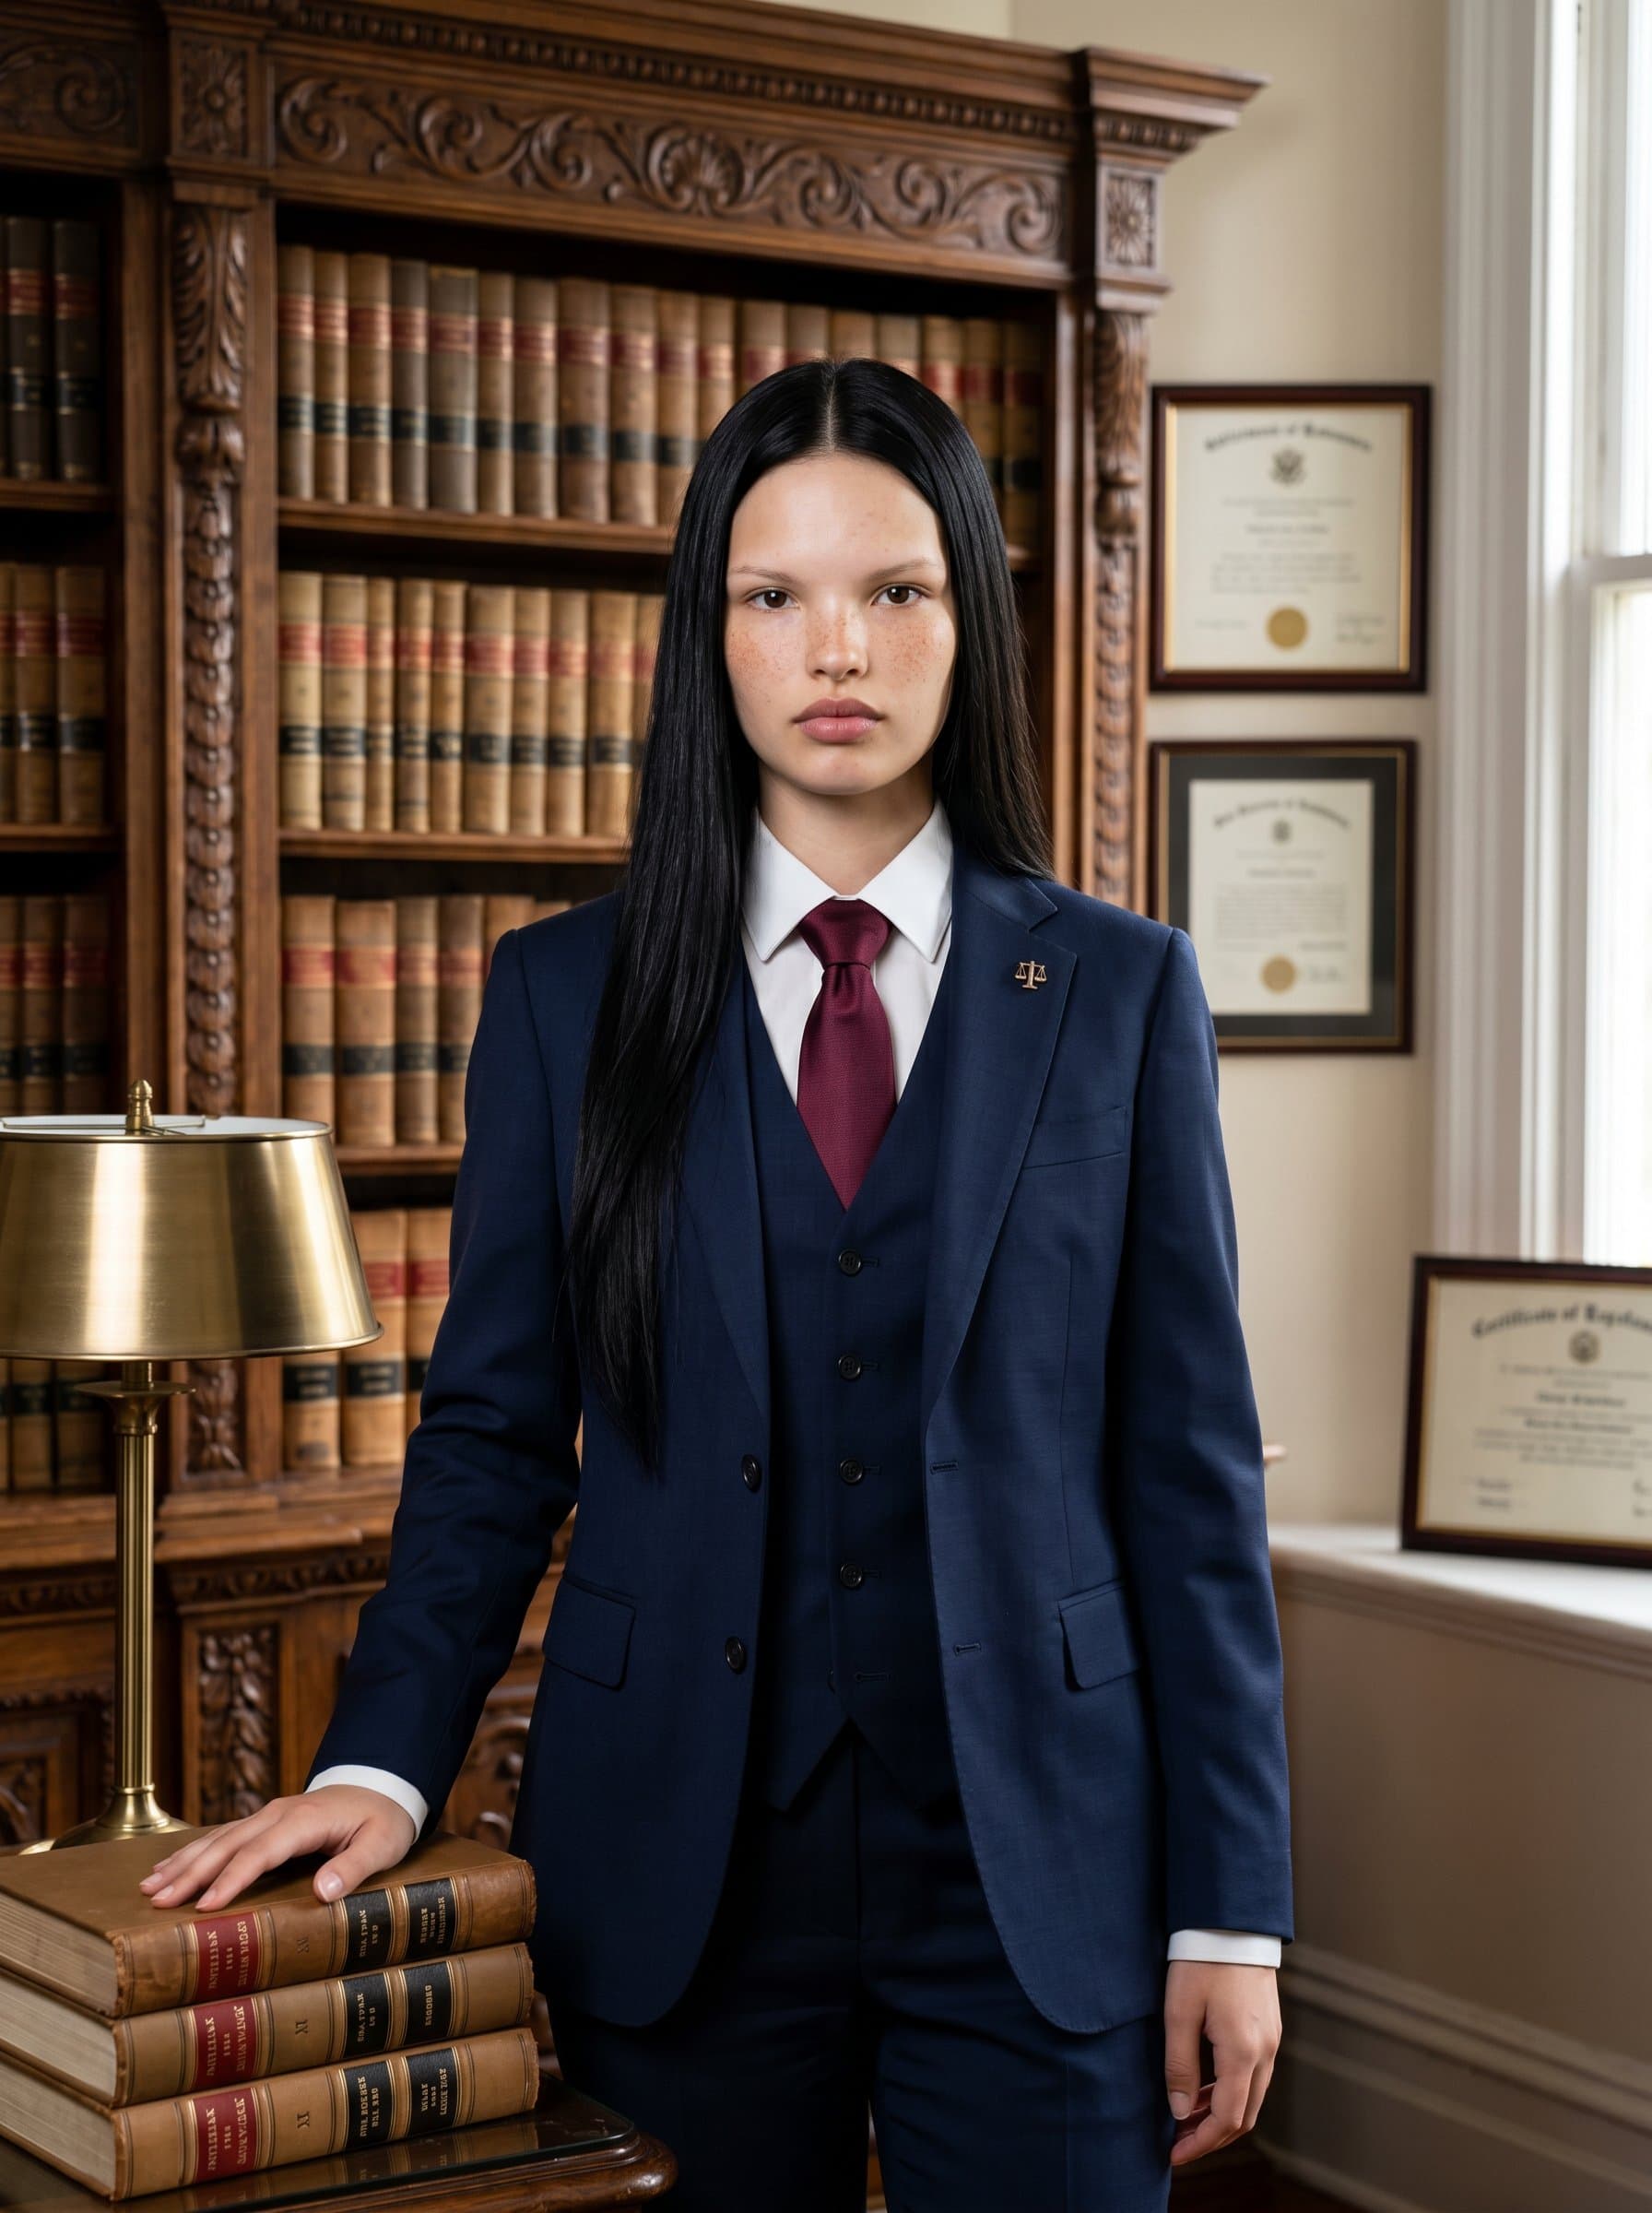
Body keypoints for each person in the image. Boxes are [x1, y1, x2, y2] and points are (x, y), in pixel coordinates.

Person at [140, 356, 1292, 2210]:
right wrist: (384, 1760)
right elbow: (499, 1435)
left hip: (1040, 1858)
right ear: (712, 632)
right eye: (773, 596)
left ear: (962, 619)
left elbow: (1186, 1469)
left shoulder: (1117, 991)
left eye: (891, 590)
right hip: (672, 1846)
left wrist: (1230, 1906)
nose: (833, 646)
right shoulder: (560, 1001)